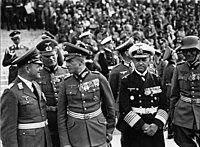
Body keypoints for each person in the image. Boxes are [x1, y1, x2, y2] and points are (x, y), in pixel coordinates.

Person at [57, 42, 116, 147]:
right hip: (76, 135)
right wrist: (65, 142)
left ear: (81, 62)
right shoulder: (65, 82)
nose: (67, 65)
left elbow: (110, 106)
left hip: (99, 131)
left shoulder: (98, 78)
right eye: (66, 61)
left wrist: (109, 131)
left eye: (70, 61)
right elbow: (61, 115)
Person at [118, 43, 168, 147]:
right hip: (134, 128)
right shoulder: (126, 81)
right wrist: (142, 126)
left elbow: (164, 105)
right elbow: (124, 108)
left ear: (149, 59)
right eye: (137, 60)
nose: (140, 63)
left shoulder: (156, 79)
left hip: (154, 127)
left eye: (144, 60)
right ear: (132, 60)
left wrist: (156, 125)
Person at [1, 48, 52, 147]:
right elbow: (8, 130)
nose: (41, 69)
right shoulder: (11, 92)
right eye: (38, 66)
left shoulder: (36, 86)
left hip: (44, 141)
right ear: (28, 69)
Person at [36, 39, 69, 147]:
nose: (51, 58)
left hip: (65, 116)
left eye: (53, 55)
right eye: (47, 56)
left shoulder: (66, 71)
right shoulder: (36, 74)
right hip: (46, 117)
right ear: (41, 57)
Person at [170, 36, 200, 147]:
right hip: (182, 114)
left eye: (192, 51)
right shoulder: (179, 68)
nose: (188, 54)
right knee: (182, 142)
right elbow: (174, 95)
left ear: (198, 51)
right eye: (185, 51)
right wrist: (171, 117)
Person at [108, 37, 134, 147]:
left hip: (139, 106)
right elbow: (111, 94)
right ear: (126, 52)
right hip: (124, 108)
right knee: (127, 136)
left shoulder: (137, 67)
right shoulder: (116, 71)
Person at [162, 47, 178, 139]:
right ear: (172, 56)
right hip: (171, 90)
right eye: (175, 54)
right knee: (172, 111)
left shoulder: (167, 66)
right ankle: (171, 131)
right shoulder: (173, 67)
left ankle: (169, 131)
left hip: (167, 90)